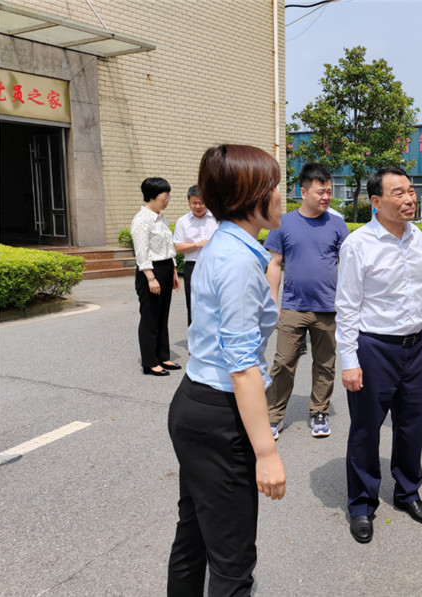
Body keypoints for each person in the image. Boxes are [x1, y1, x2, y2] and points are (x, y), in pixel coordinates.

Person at [167, 145, 286, 595]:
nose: (281, 196)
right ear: (250, 196)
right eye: (274, 187)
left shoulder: (227, 246)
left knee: (195, 535)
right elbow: (242, 367)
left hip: (197, 403)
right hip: (220, 415)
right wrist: (267, 453)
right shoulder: (236, 261)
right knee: (233, 562)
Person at [335, 166, 422, 543]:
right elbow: (347, 306)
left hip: (415, 347)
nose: (409, 199)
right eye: (399, 193)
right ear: (376, 201)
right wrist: (349, 361)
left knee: (411, 425)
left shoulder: (419, 238)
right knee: (366, 428)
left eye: (411, 191)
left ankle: (408, 492)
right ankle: (362, 504)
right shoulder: (358, 244)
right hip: (374, 348)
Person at [264, 163, 348, 439]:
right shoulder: (284, 223)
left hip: (328, 308)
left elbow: (348, 265)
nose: (326, 197)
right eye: (320, 192)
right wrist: (272, 302)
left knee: (325, 363)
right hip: (293, 306)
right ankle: (273, 415)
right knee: (283, 363)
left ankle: (319, 411)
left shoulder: (337, 224)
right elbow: (274, 263)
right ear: (303, 192)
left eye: (329, 191)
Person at [130, 177, 181, 376]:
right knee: (150, 316)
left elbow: (169, 247)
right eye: (164, 196)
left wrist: (174, 271)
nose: (167, 200)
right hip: (151, 271)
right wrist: (151, 278)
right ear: (152, 196)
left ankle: (163, 356)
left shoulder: (161, 218)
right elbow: (141, 252)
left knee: (162, 315)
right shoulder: (141, 220)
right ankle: (150, 362)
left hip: (166, 268)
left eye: (169, 196)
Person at [173, 185, 219, 326]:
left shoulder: (217, 219)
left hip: (214, 266)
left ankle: (213, 335)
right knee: (192, 303)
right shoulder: (183, 221)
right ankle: (194, 337)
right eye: (194, 203)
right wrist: (197, 244)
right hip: (192, 266)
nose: (197, 206)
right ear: (188, 202)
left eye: (201, 203)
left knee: (215, 302)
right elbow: (177, 247)